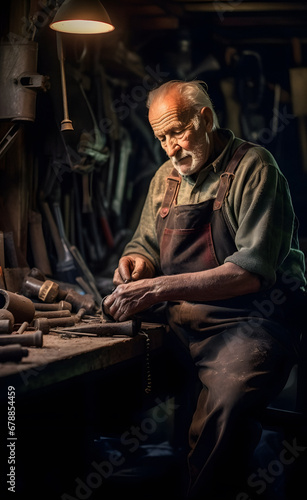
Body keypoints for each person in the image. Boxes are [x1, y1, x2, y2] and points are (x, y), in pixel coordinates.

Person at [103, 80, 306, 499]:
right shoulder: (165, 177)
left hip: (252, 322)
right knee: (107, 390)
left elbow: (251, 273)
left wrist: (159, 288)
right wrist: (138, 262)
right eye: (161, 138)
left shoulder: (255, 168)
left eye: (177, 132)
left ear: (206, 119)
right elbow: (144, 243)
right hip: (181, 321)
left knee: (226, 409)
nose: (171, 149)